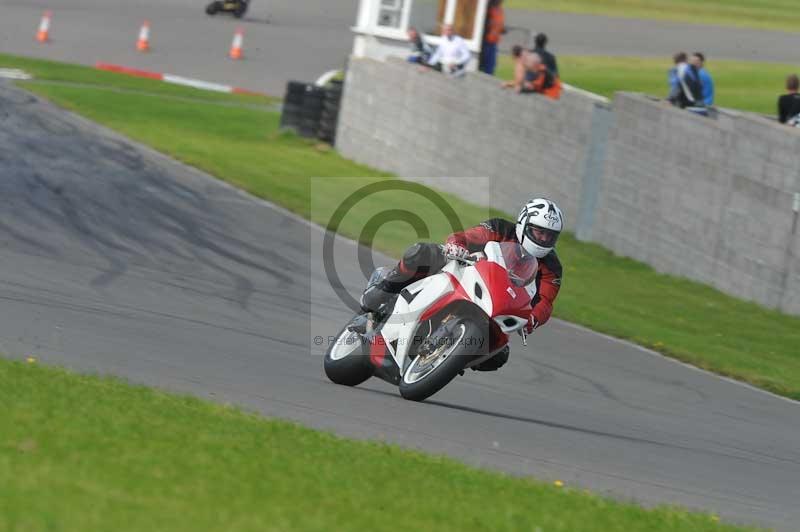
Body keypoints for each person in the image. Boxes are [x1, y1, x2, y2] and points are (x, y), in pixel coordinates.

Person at [360, 198, 564, 372]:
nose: (543, 239)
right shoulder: (500, 228)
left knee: (498, 355)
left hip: (498, 302)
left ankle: (449, 358)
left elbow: (545, 301)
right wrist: (457, 246)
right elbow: (469, 236)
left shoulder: (552, 267)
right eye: (539, 232)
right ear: (524, 224)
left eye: (549, 236)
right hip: (464, 268)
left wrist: (532, 320)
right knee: (420, 253)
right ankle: (381, 292)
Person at [479, 0, 505, 75]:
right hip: (487, 41)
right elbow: (483, 23)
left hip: (494, 42)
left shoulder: (499, 9)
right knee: (486, 66)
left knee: (491, 66)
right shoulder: (488, 9)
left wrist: (501, 29)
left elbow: (499, 23)